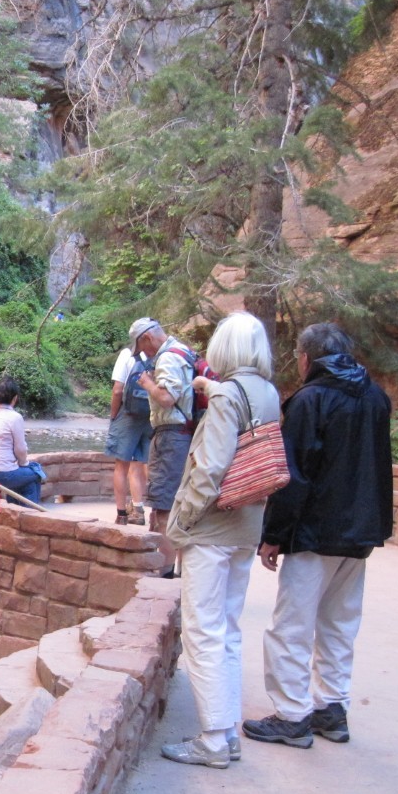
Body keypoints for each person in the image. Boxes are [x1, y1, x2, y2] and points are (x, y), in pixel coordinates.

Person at [243, 322, 393, 749]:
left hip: (315, 532)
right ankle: (331, 708)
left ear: (307, 358)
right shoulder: (375, 397)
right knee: (339, 623)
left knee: (292, 626)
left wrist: (274, 534)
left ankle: (292, 715)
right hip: (361, 533)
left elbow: (295, 475)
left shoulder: (311, 400)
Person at [156, 312, 281, 768]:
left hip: (212, 529)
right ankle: (226, 733)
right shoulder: (266, 392)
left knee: (202, 632)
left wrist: (181, 523)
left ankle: (211, 739)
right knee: (227, 630)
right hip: (247, 526)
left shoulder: (228, 396)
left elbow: (210, 469)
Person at [131, 317, 199, 576]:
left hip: (171, 437)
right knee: (176, 504)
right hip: (183, 435)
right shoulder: (183, 351)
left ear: (147, 338)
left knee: (164, 507)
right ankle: (178, 568)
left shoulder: (168, 357)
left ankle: (166, 572)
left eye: (142, 348)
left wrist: (147, 382)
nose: (144, 355)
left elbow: (168, 398)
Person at [106, 335, 153, 525]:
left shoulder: (127, 354)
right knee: (141, 463)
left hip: (128, 415)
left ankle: (122, 515)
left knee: (121, 466)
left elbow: (118, 389)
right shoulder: (156, 356)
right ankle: (142, 509)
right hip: (150, 416)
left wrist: (113, 415)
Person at [0, 376, 42, 504]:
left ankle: (14, 510)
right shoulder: (15, 417)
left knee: (24, 482)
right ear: (15, 398)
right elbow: (20, 450)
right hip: (1, 474)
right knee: (36, 473)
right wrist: (24, 464)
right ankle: (29, 513)